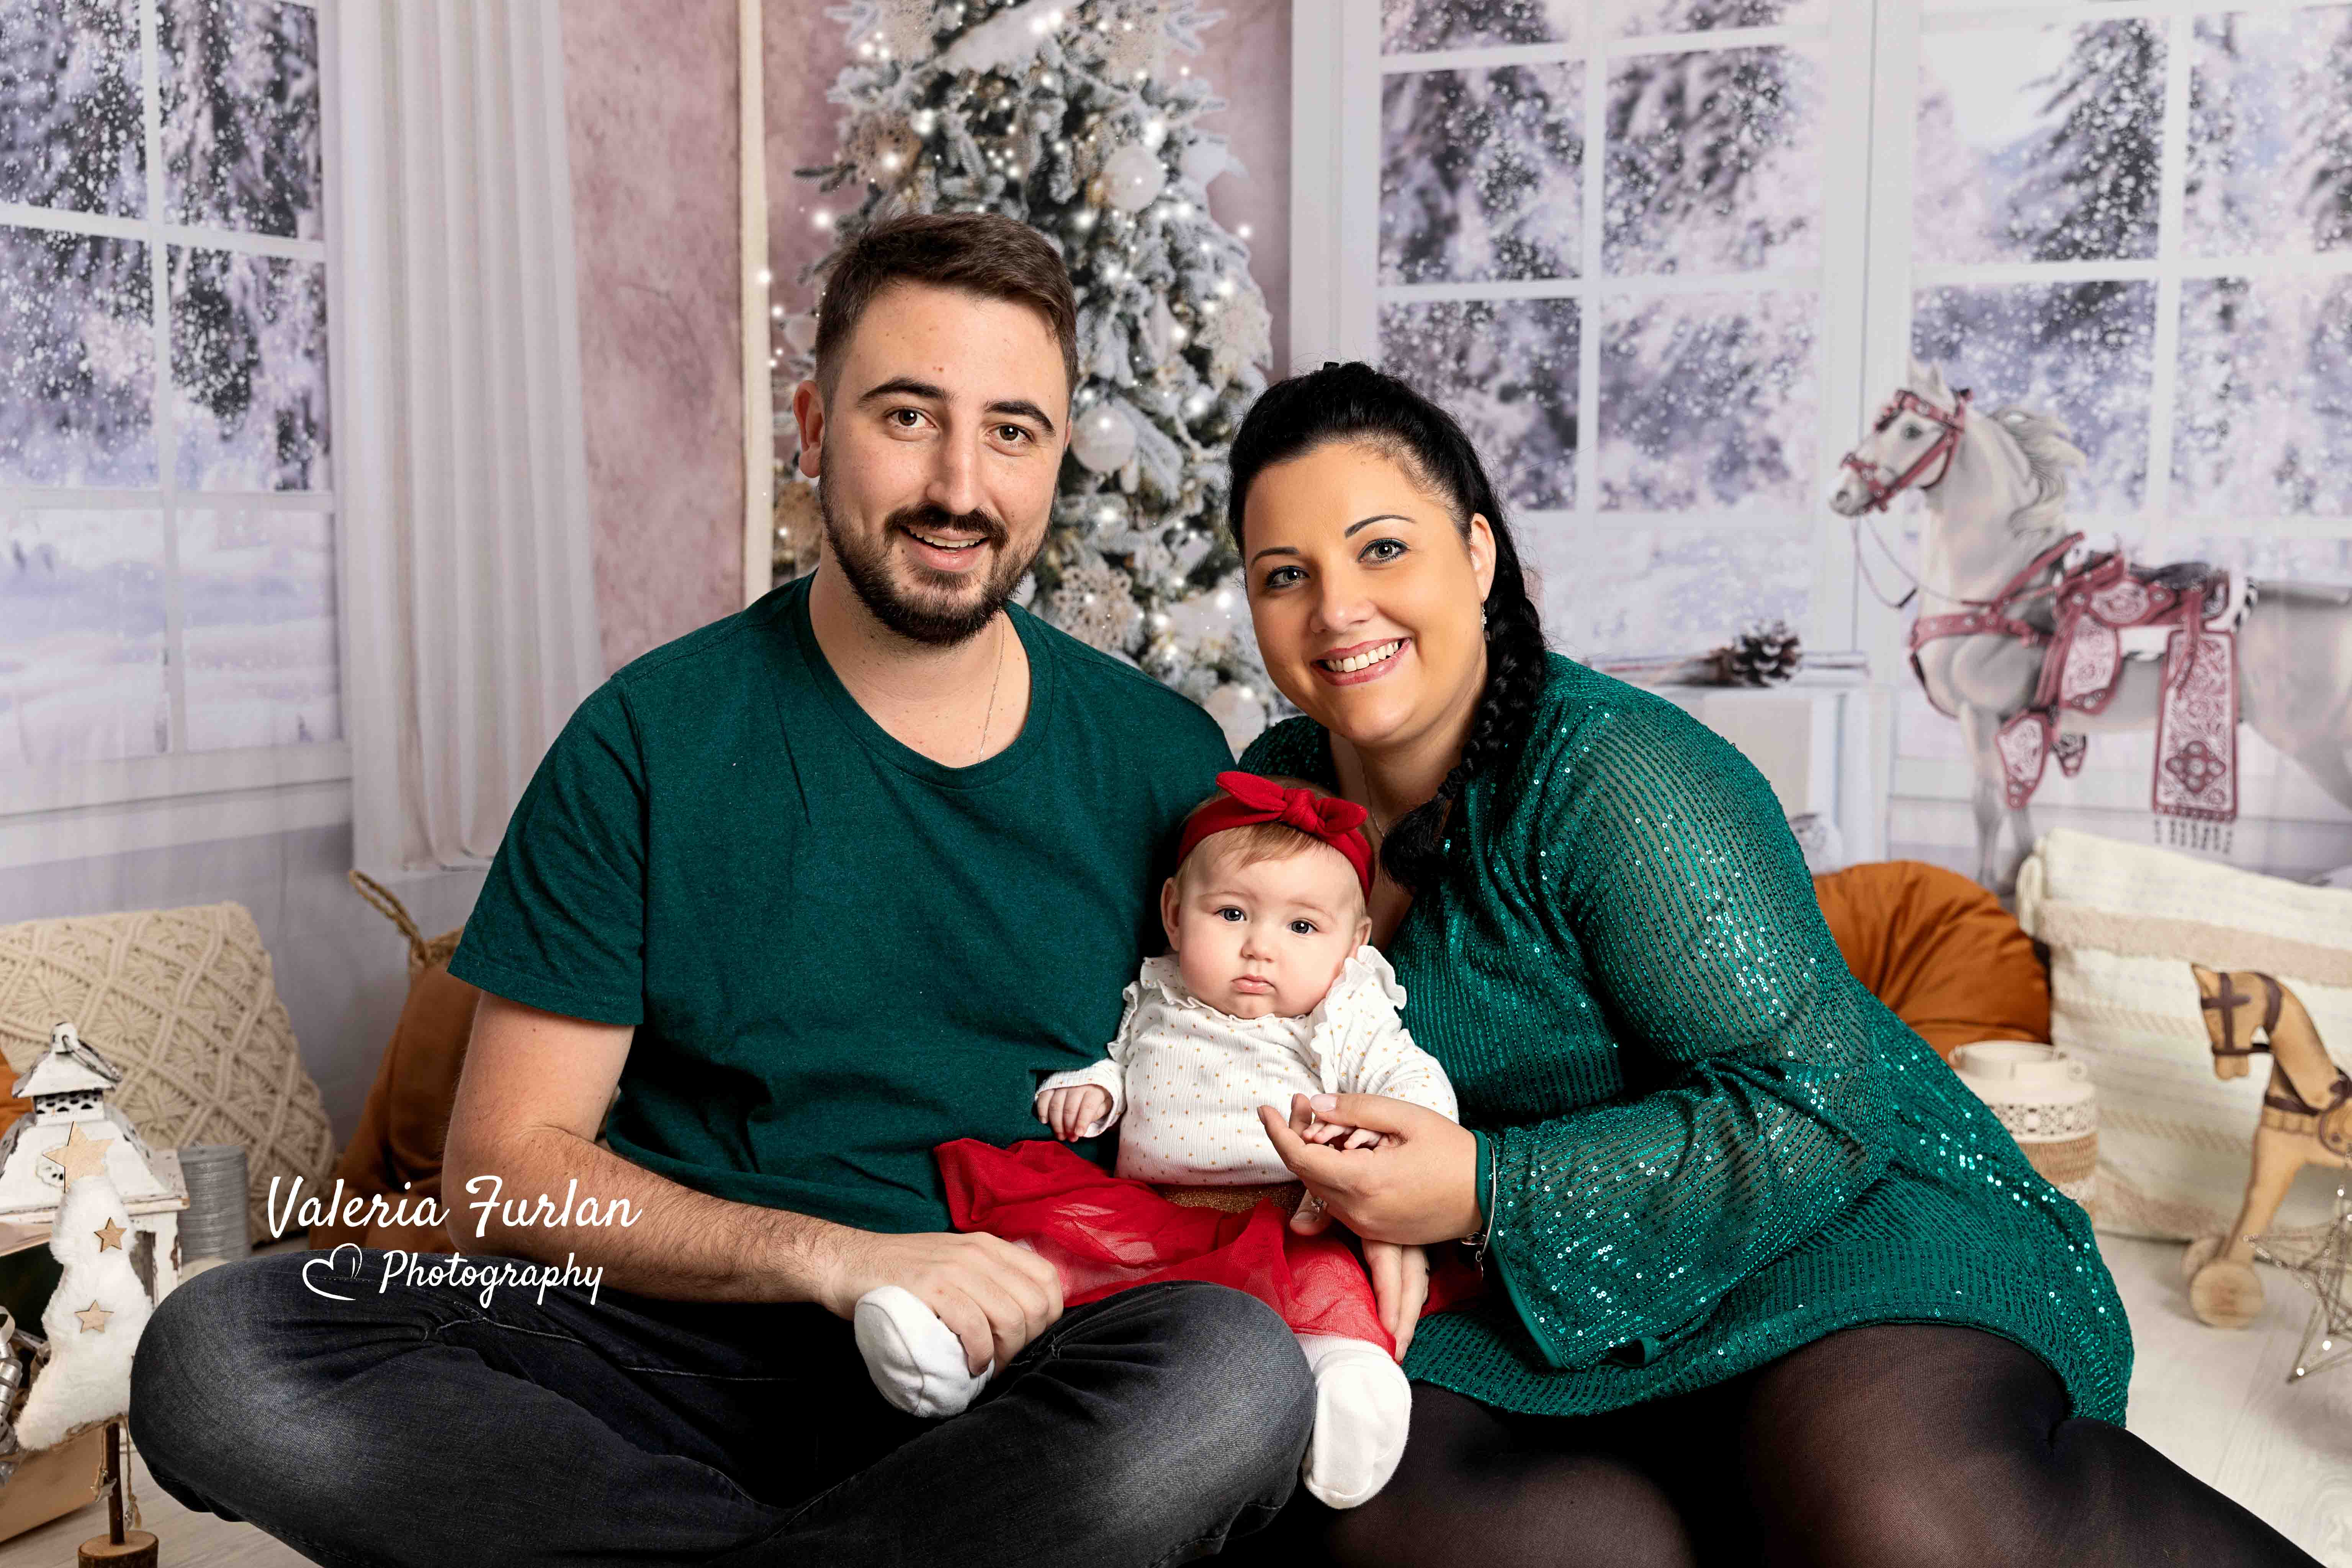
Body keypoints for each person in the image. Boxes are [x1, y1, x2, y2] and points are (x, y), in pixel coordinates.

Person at [124, 212, 1317, 1568]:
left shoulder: (1160, 758)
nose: (958, 485)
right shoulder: (652, 734)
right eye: (907, 415)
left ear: (1055, 458)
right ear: (812, 425)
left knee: (1235, 1372)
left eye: (1012, 431)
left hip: (1013, 1348)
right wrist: (832, 1256)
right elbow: (507, 1173)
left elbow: (1234, 1091)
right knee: (220, 1349)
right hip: (658, 1345)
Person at [1212, 361, 2323, 1567]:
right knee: (1401, 1519)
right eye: (1286, 576)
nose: (1336, 611)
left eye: (1382, 551)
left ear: (1476, 557)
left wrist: (1488, 1187)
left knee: (1898, 1514)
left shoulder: (1614, 779)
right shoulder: (1261, 800)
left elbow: (1817, 1105)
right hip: (1518, 1302)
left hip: (1831, 1224)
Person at [855, 769, 1470, 1508]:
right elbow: (1127, 1062)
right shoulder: (1161, 989)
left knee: (1328, 1294)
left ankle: (1347, 1380)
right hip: (1148, 1211)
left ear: (1353, 943)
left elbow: (1412, 1083)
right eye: (1233, 914)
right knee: (1045, 1264)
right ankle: (954, 1348)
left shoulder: (1341, 1013)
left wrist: (1378, 1150)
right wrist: (1096, 1090)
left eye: (1302, 927)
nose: (1259, 951)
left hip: (1286, 1217)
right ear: (1176, 915)